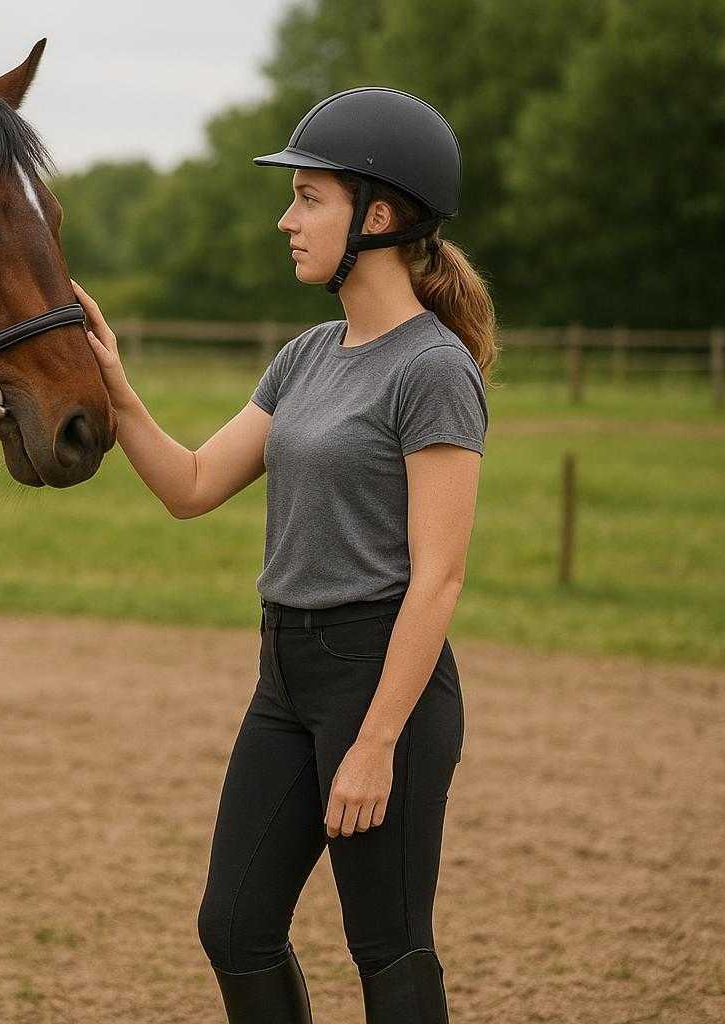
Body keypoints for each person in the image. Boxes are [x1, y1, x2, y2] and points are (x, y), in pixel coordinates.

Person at [70, 86, 497, 1023]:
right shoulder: (306, 355)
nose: (286, 219)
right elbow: (189, 486)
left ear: (377, 216)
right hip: (286, 673)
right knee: (234, 925)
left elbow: (440, 577)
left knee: (387, 948)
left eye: (309, 197)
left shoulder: (433, 370)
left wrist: (377, 742)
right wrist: (115, 386)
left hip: (381, 679)